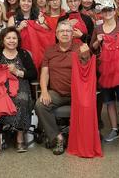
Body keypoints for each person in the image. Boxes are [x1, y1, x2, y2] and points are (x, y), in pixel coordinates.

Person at [35, 20, 90, 155]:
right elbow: (45, 73)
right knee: (40, 105)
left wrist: (86, 56)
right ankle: (58, 137)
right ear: (56, 34)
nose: (65, 33)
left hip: (77, 92)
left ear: (73, 34)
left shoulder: (81, 48)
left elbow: (88, 71)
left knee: (89, 105)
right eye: (61, 31)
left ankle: (84, 138)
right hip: (57, 93)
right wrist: (44, 91)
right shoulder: (50, 50)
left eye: (68, 31)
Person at [0, 27, 37, 156]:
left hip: (21, 85)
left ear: (18, 40)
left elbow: (33, 74)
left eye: (14, 38)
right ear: (3, 40)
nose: (11, 41)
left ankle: (19, 138)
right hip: (0, 87)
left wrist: (17, 72)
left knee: (22, 100)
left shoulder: (24, 54)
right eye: (8, 38)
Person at [90, 1, 119, 146]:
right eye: (104, 11)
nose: (107, 13)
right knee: (109, 102)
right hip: (105, 70)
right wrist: (98, 41)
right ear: (101, 13)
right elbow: (92, 49)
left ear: (114, 11)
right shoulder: (98, 28)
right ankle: (115, 129)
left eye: (110, 10)